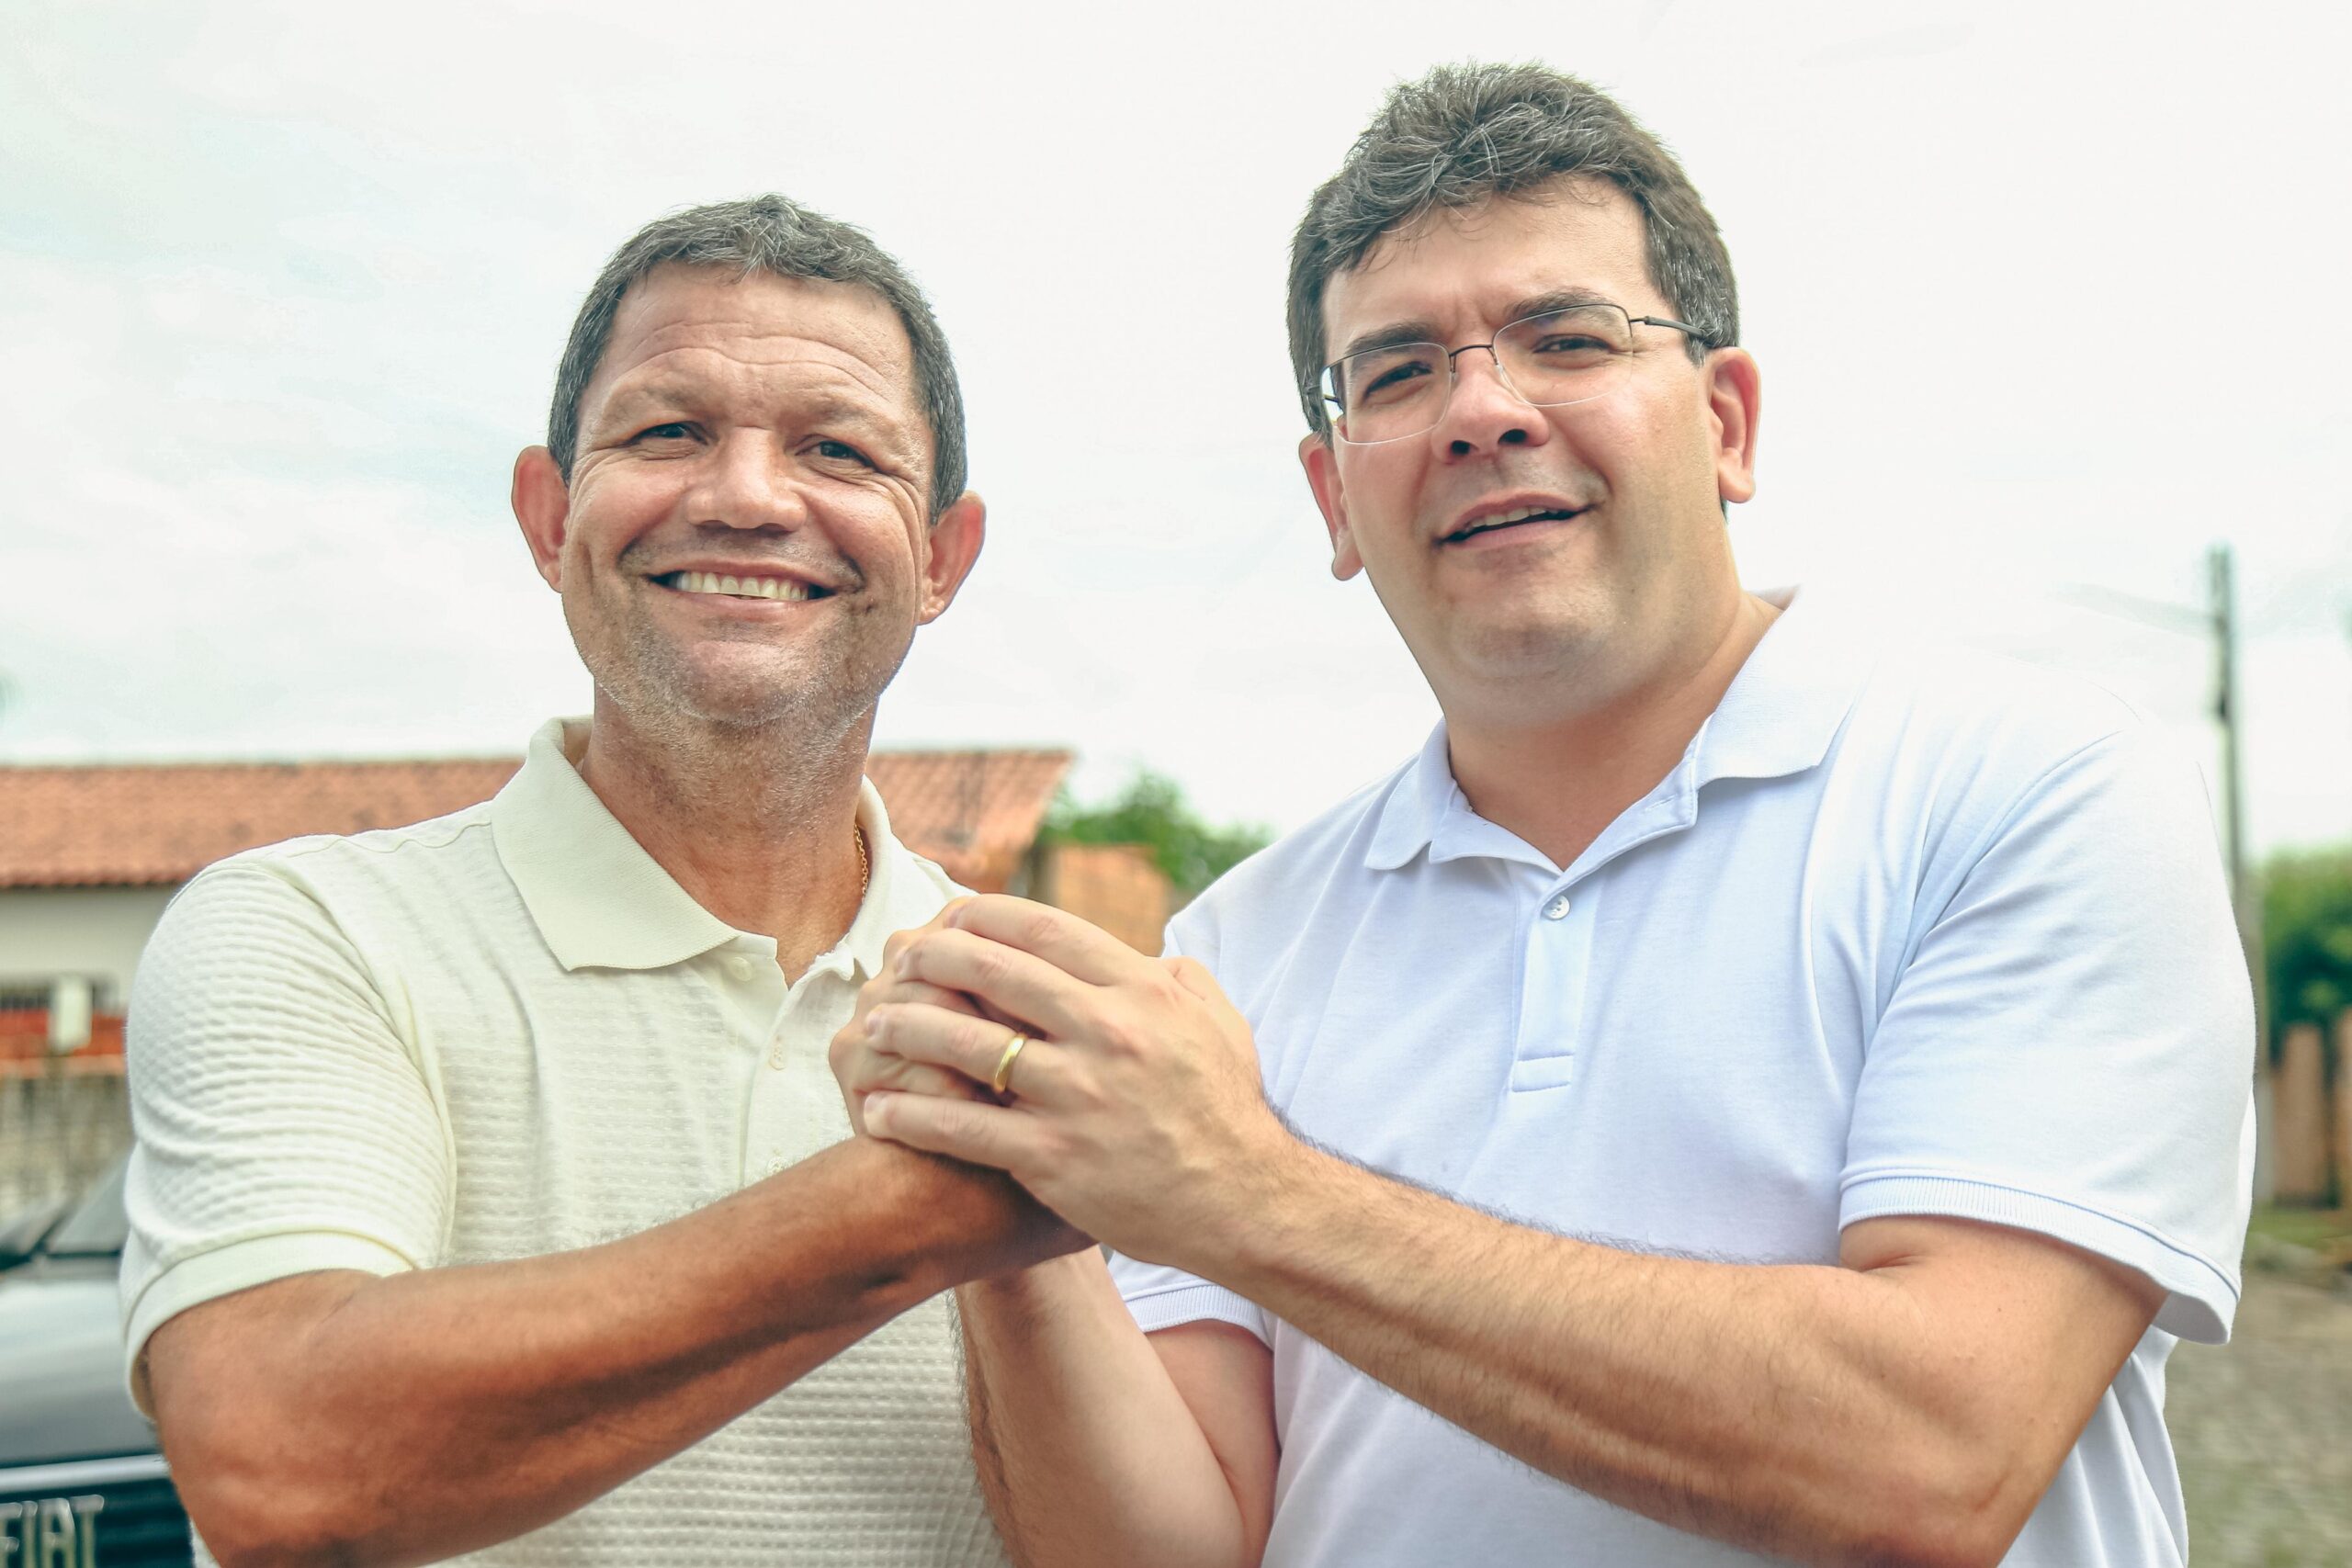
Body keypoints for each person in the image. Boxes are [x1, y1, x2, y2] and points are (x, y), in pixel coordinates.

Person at [831, 64, 2256, 1568]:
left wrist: (1245, 1191)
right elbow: (1174, 1548)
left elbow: (1934, 1459)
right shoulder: (1240, 946)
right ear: (1333, 498)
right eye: (1397, 373)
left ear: (1727, 422)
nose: (1482, 412)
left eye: (1568, 339)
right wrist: (1020, 1219)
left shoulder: (2027, 792)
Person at [119, 196, 1079, 1567]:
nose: (748, 497)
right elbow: (277, 1463)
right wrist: (933, 1201)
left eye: (839, 449)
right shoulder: (313, 932)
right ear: (548, 514)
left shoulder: (1035, 1010)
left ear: (941, 557)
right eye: (669, 431)